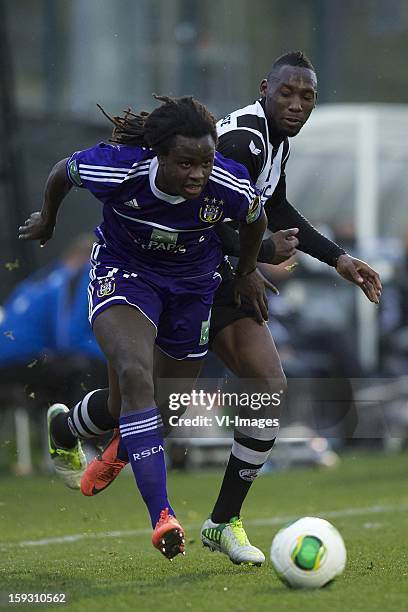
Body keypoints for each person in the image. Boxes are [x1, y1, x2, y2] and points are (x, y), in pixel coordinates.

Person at [28, 52, 382, 567]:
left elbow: (266, 208)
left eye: (307, 96)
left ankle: (215, 519)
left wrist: (336, 258)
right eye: (287, 92)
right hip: (187, 273)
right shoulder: (239, 142)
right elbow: (213, 213)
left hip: (204, 276)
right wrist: (251, 265)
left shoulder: (270, 145)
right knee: (157, 391)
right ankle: (162, 497)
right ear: (265, 88)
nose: (297, 104)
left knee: (192, 397)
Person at [18, 95, 269, 560]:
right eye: (185, 163)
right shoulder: (117, 168)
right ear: (157, 155)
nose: (198, 174)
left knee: (160, 413)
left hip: (193, 288)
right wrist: (48, 220)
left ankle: (69, 428)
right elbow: (61, 172)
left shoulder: (229, 183)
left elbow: (256, 220)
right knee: (135, 377)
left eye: (206, 163)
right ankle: (163, 517)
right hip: (126, 274)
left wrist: (248, 269)